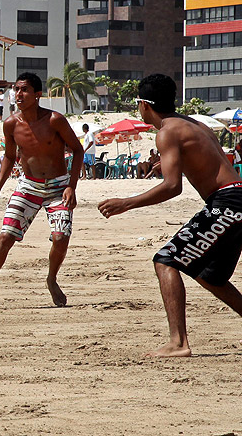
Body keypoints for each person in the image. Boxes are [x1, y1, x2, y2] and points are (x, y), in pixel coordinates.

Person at [99, 74, 242, 357]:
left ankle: (178, 343)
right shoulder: (195, 123)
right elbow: (204, 161)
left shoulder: (166, 132)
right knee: (211, 277)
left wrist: (126, 203)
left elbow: (172, 187)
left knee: (166, 261)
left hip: (226, 203)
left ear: (143, 105)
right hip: (236, 197)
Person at [0, 72, 83, 310]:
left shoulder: (55, 120)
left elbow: (78, 150)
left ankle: (51, 278)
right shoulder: (11, 123)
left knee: (60, 237)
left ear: (37, 94)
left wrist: (71, 186)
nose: (19, 94)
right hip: (28, 185)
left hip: (58, 187)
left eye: (24, 90)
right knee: (5, 237)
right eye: (16, 89)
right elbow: (10, 157)